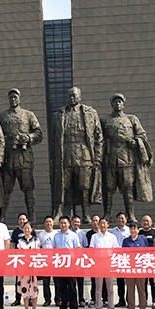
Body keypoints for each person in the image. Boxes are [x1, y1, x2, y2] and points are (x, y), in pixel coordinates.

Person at [51, 87, 103, 224]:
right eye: (70, 96)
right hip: (66, 153)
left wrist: (97, 157)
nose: (72, 98)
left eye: (74, 95)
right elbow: (54, 139)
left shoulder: (90, 113)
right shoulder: (59, 114)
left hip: (84, 153)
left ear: (80, 96)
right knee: (63, 185)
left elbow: (99, 137)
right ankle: (59, 212)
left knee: (84, 185)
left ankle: (86, 214)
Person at [100, 93, 153, 221]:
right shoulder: (104, 120)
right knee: (108, 189)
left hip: (127, 160)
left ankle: (131, 215)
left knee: (127, 189)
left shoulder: (132, 119)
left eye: (120, 102)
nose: (117, 104)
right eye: (115, 102)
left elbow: (142, 135)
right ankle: (107, 214)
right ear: (111, 104)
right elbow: (98, 138)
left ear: (123, 104)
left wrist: (136, 141)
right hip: (110, 160)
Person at [0, 88, 43, 222]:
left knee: (28, 188)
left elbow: (39, 134)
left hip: (24, 158)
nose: (13, 100)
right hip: (7, 158)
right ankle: (2, 217)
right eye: (11, 97)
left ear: (19, 99)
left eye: (15, 97)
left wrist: (28, 137)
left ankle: (32, 216)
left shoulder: (28, 115)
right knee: (5, 189)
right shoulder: (1, 117)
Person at [52, 215, 82, 309]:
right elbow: (54, 249)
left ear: (69, 224)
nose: (63, 225)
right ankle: (63, 308)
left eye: (65, 223)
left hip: (71, 266)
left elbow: (78, 250)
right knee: (62, 288)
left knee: (72, 288)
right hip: (60, 265)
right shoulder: (56, 235)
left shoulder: (73, 235)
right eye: (61, 223)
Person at [90, 217, 118, 309]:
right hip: (98, 264)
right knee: (98, 287)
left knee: (110, 288)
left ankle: (110, 308)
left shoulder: (112, 236)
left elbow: (116, 250)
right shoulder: (94, 236)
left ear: (107, 225)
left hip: (109, 264)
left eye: (104, 223)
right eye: (100, 223)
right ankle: (98, 307)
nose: (102, 225)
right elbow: (91, 250)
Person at [122, 221, 148, 309]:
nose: (133, 230)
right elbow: (123, 254)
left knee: (142, 290)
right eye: (131, 228)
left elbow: (147, 253)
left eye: (135, 228)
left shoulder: (143, 240)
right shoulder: (126, 241)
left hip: (140, 269)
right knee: (130, 290)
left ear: (138, 230)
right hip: (129, 269)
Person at [16, 221, 40, 309]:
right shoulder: (20, 241)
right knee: (24, 288)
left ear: (31, 229)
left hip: (33, 267)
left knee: (34, 288)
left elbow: (38, 253)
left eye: (28, 228)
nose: (27, 230)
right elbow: (17, 254)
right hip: (23, 268)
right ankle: (26, 308)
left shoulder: (36, 240)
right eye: (25, 228)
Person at [139, 214, 155, 309]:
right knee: (143, 283)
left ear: (151, 222)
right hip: (142, 262)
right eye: (144, 221)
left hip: (153, 262)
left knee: (153, 283)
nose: (146, 222)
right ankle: (144, 300)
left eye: (147, 221)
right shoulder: (139, 233)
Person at [38, 215, 58, 307]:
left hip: (55, 261)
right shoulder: (41, 234)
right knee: (46, 283)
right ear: (44, 223)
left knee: (57, 282)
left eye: (50, 221)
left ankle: (58, 299)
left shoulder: (57, 234)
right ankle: (47, 299)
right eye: (47, 222)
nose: (48, 223)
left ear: (53, 223)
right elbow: (39, 247)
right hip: (45, 261)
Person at [86, 215, 106, 308]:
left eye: (97, 221)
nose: (95, 222)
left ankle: (105, 299)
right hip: (94, 262)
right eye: (93, 221)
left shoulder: (108, 235)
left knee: (105, 282)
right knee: (94, 281)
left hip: (105, 262)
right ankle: (94, 299)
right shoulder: (90, 234)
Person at [110, 212, 129, 307]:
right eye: (119, 218)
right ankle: (121, 300)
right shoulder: (113, 231)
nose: (120, 220)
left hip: (128, 259)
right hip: (117, 258)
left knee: (129, 282)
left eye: (122, 218)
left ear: (126, 219)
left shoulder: (129, 230)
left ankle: (130, 300)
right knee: (120, 281)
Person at [10, 213, 29, 306]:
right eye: (20, 219)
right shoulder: (15, 232)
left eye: (24, 219)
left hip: (29, 260)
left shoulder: (31, 231)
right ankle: (17, 299)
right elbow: (12, 245)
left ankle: (28, 299)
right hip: (18, 259)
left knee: (29, 280)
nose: (22, 221)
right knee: (18, 280)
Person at [71, 215, 88, 307]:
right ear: (71, 222)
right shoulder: (68, 233)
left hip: (80, 261)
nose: (76, 223)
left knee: (80, 282)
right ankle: (72, 300)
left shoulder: (82, 234)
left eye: (78, 222)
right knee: (71, 283)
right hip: (70, 261)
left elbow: (85, 246)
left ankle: (81, 299)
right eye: (74, 222)